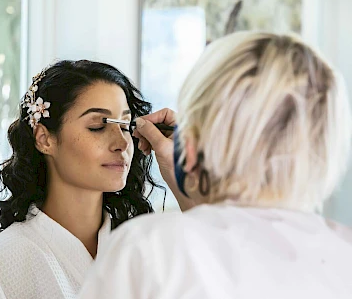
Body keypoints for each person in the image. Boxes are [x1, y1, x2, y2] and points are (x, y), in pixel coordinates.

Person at [77, 31, 352, 299]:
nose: (122, 143)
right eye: (97, 126)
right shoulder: (344, 256)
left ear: (192, 144)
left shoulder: (150, 252)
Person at [0, 60, 161, 299]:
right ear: (44, 139)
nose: (122, 143)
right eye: (98, 126)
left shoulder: (142, 254)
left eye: (125, 126)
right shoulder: (0, 262)